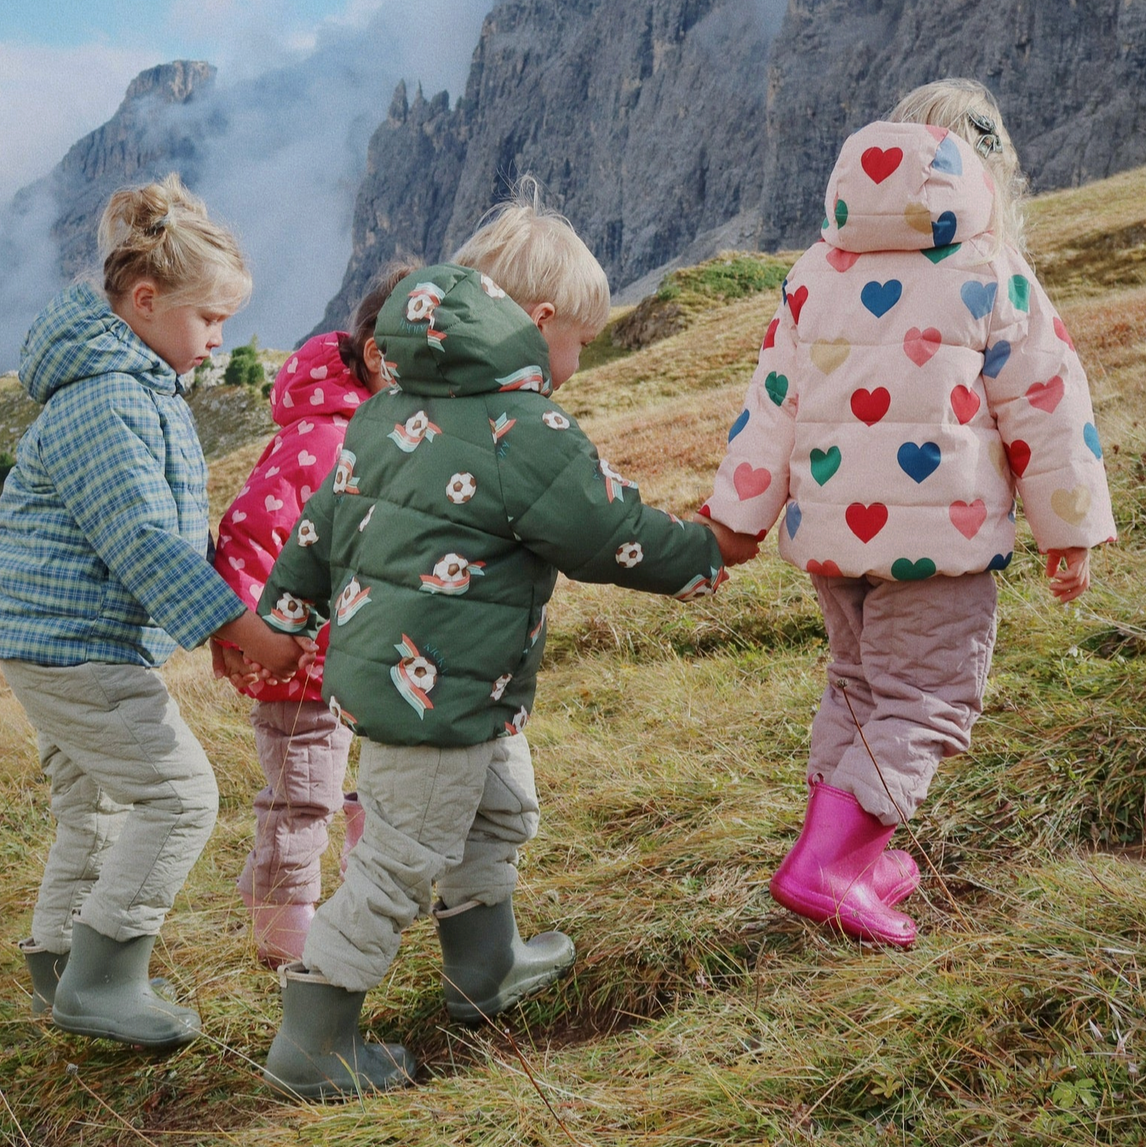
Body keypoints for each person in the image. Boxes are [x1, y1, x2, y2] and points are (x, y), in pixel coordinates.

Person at [256, 179, 735, 1099]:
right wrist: (704, 553)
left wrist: (285, 616)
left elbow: (322, 524)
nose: (578, 363)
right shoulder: (527, 425)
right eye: (580, 343)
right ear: (544, 321)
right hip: (433, 698)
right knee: (398, 859)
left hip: (457, 689)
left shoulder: (385, 410)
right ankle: (310, 1039)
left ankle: (486, 965)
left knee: (499, 810)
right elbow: (606, 528)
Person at [700, 78, 1116, 948]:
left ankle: (855, 855)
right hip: (940, 542)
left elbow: (771, 400)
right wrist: (1069, 532)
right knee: (926, 699)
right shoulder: (991, 270)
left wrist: (738, 517)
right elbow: (1046, 404)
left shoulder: (817, 270)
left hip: (833, 542)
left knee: (857, 688)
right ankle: (827, 867)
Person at [2, 174, 313, 1049]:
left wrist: (216, 620)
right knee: (178, 796)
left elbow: (170, 525)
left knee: (94, 807)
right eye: (210, 320)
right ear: (145, 300)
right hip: (76, 644)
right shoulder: (109, 398)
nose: (220, 340)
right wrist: (240, 627)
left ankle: (64, 973)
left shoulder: (137, 386)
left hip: (61, 638)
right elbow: (142, 539)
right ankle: (105, 980)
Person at [213, 264, 416, 968]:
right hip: (299, 668)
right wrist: (254, 633)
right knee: (300, 800)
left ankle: (354, 868)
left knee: (361, 773)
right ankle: (284, 937)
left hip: (350, 656)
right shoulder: (326, 443)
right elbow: (248, 529)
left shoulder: (369, 429)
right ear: (377, 357)